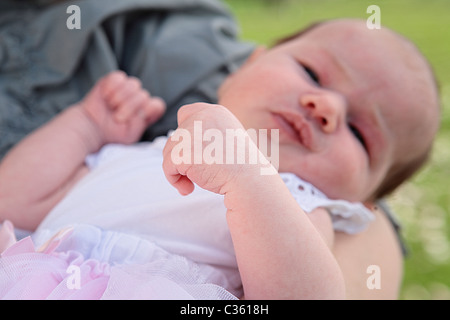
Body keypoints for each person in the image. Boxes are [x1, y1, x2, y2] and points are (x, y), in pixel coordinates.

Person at [0, 19, 440, 300]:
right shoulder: (134, 152)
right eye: (312, 74)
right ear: (245, 67)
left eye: (361, 133)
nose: (326, 107)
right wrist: (86, 127)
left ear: (364, 203)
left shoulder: (298, 204)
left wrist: (249, 177)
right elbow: (14, 204)